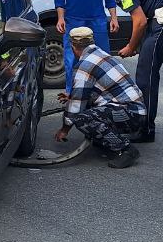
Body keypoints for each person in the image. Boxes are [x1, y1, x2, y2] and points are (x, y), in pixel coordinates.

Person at [87, 0, 163, 144]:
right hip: (157, 18)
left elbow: (140, 21)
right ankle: (141, 122)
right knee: (144, 73)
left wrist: (130, 46)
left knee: (146, 75)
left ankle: (146, 129)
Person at [54, 26, 146, 168]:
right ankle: (104, 138)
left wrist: (64, 129)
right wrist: (73, 95)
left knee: (82, 119)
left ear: (73, 46)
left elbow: (76, 106)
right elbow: (94, 91)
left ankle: (125, 149)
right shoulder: (100, 54)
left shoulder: (84, 66)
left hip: (130, 113)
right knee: (87, 110)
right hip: (135, 110)